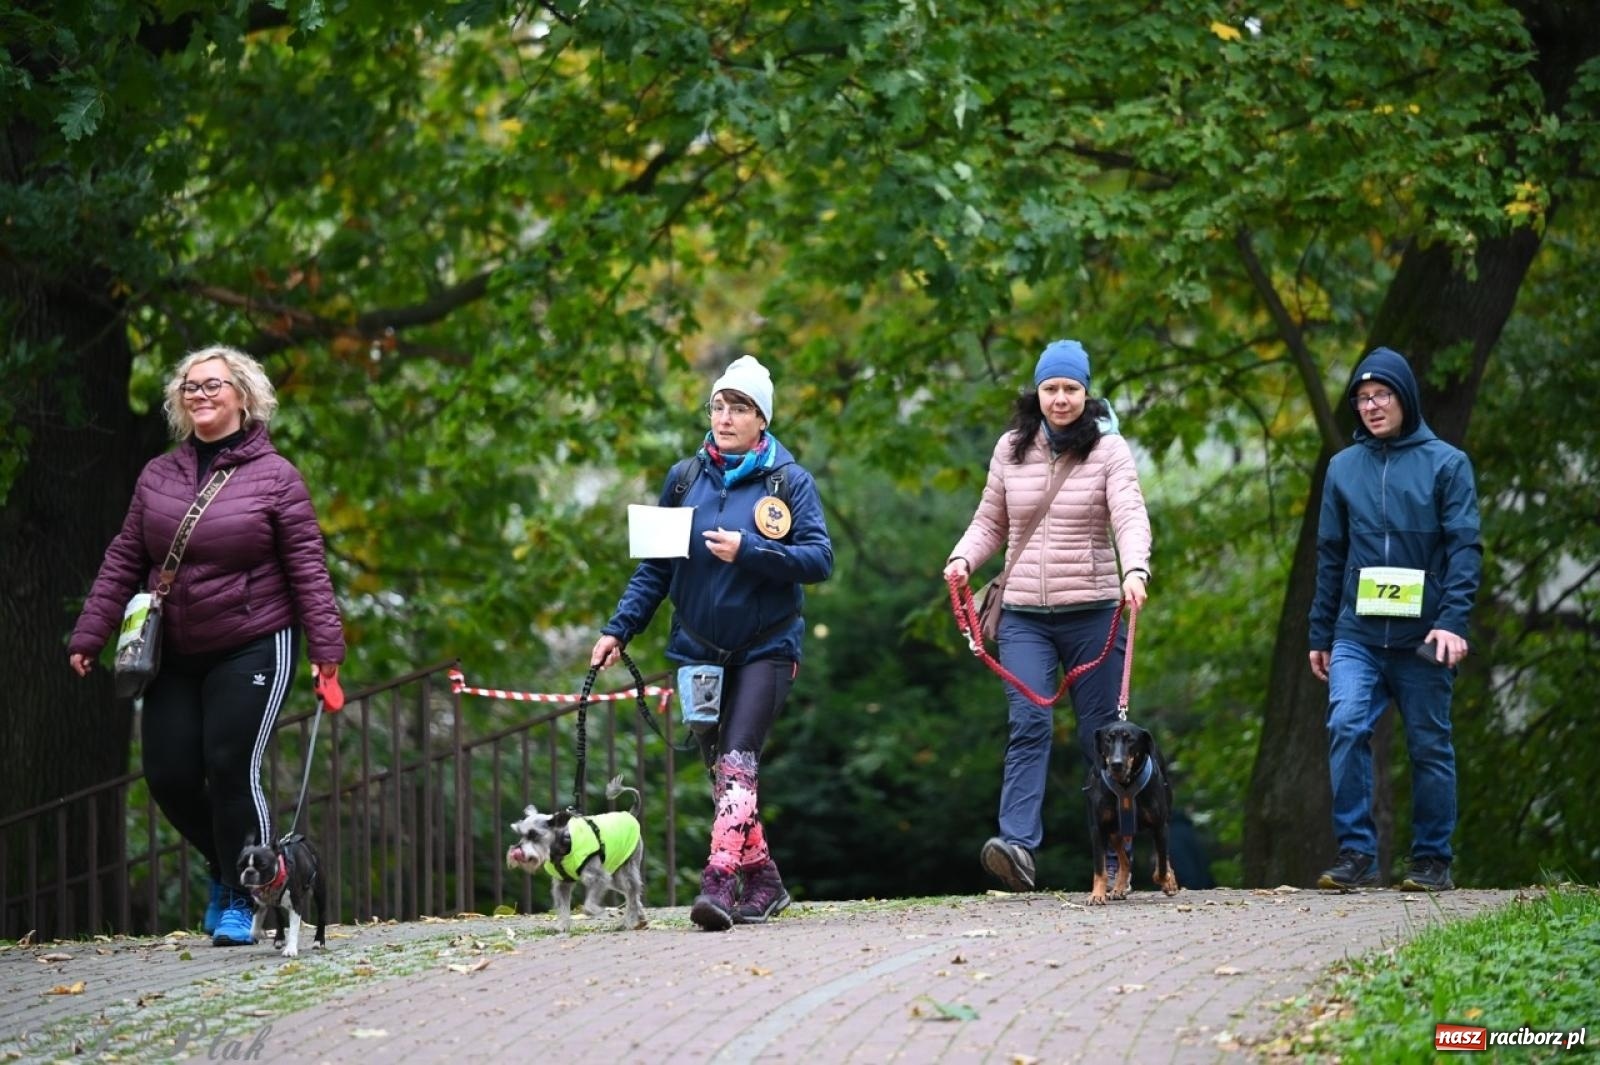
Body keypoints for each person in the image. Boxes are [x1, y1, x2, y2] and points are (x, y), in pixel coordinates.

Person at [68, 345, 345, 945]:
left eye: (213, 385)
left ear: (242, 397)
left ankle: (250, 895)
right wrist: (92, 630)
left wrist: (326, 649)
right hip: (175, 651)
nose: (200, 395)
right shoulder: (158, 474)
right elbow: (125, 556)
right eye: (190, 387)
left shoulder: (277, 478)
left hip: (252, 642)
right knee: (167, 773)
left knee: (230, 764)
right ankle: (226, 866)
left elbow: (307, 567)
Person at [591, 354, 833, 931]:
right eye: (719, 405)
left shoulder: (788, 481)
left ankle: (719, 884)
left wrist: (750, 550)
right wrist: (617, 629)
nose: (726, 417)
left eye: (740, 407)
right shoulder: (683, 479)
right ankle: (766, 882)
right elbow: (655, 569)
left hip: (767, 648)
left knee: (739, 763)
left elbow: (819, 559)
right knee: (724, 776)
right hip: (697, 651)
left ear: (762, 420)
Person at [944, 339, 1152, 892]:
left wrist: (1136, 571)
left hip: (1094, 611)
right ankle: (1016, 848)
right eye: (1051, 389)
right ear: (1036, 393)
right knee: (1029, 724)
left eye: (1071, 389)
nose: (1061, 399)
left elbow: (1129, 513)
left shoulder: (1109, 451)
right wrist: (964, 557)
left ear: (1087, 393)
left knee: (1102, 739)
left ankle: (1117, 858)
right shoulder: (1011, 448)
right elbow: (990, 520)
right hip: (1024, 617)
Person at [1309, 347, 1481, 893]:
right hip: (1357, 632)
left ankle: (1432, 860)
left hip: (1423, 634)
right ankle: (1356, 854)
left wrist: (1453, 621)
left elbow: (1465, 549)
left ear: (1405, 397)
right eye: (1361, 398)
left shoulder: (1447, 464)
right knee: (1345, 724)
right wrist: (1321, 632)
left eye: (1381, 395)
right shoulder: (1342, 469)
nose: (1371, 406)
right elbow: (1331, 553)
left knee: (1429, 745)